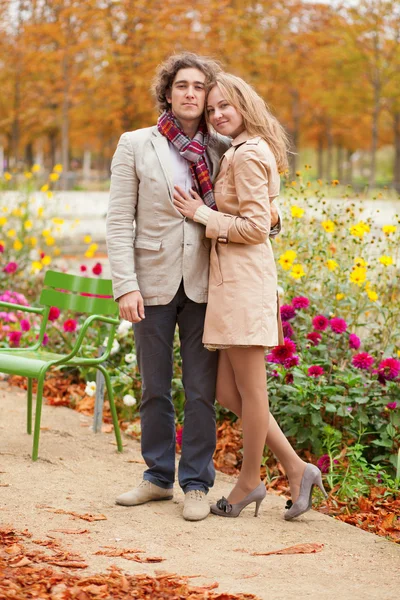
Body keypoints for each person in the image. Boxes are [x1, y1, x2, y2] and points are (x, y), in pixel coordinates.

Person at [106, 53, 281, 522]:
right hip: (152, 281)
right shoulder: (136, 144)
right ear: (167, 92)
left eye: (199, 87)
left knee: (202, 390)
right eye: (181, 85)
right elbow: (120, 219)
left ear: (208, 96)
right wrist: (125, 285)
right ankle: (158, 478)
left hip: (210, 284)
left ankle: (197, 484)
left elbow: (260, 203)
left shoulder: (226, 146)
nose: (190, 93)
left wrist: (272, 215)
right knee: (154, 387)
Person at [173, 72, 328, 520]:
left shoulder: (248, 153)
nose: (218, 113)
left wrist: (203, 214)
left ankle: (247, 483)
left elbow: (257, 228)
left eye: (226, 105)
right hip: (232, 281)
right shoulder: (242, 150)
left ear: (244, 105)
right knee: (228, 390)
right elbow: (268, 215)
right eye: (212, 108)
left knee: (252, 391)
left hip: (243, 282)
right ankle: (298, 469)